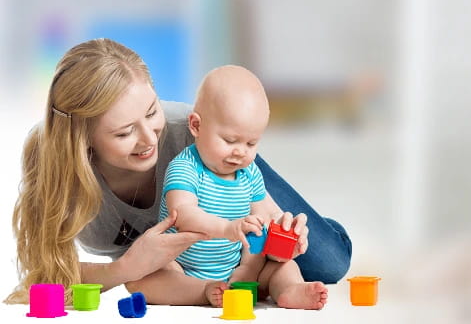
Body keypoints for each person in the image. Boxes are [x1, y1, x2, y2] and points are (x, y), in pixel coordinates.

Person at [4, 38, 352, 305]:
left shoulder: (194, 136)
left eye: (152, 111)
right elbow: (48, 274)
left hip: (226, 185)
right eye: (124, 132)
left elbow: (264, 222)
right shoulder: (53, 162)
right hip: (178, 270)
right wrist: (125, 268)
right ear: (83, 139)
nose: (148, 139)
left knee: (327, 263)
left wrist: (283, 236)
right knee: (142, 281)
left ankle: (322, 228)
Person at [158, 65, 327, 309]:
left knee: (283, 266)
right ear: (196, 125)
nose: (240, 152)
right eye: (229, 140)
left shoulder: (249, 173)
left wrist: (273, 252)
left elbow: (260, 228)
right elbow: (182, 216)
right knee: (152, 275)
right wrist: (227, 228)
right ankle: (202, 291)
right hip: (184, 267)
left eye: (251, 143)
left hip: (236, 269)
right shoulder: (185, 168)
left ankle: (289, 290)